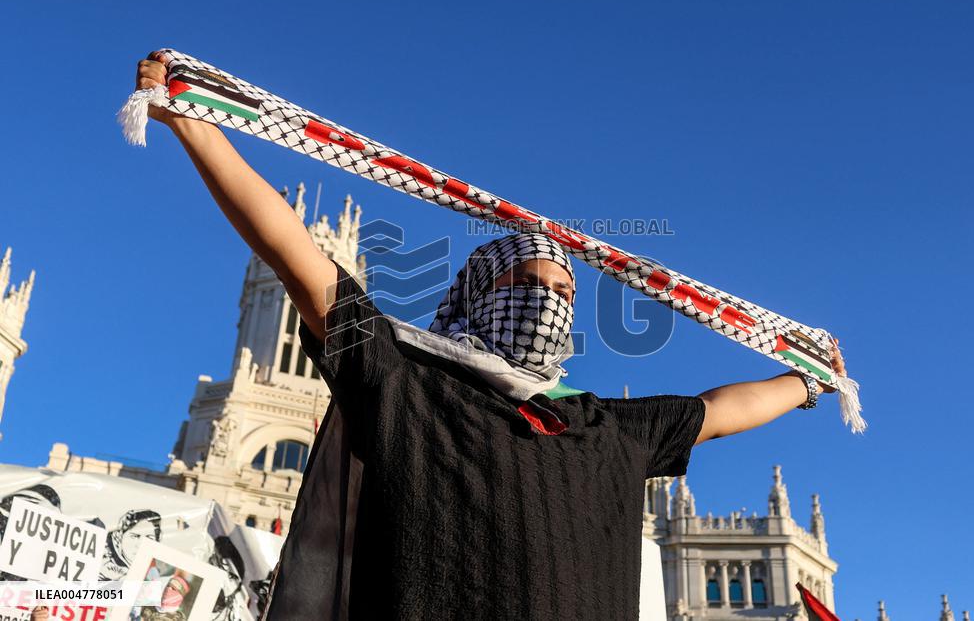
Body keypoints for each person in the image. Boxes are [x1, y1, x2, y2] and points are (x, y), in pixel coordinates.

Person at [134, 54, 847, 621]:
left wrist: (809, 381)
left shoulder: (605, 429)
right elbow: (301, 261)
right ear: (477, 296)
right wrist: (193, 125)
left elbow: (720, 411)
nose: (551, 303)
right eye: (530, 286)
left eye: (565, 295)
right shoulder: (406, 388)